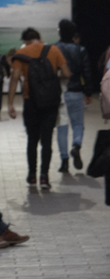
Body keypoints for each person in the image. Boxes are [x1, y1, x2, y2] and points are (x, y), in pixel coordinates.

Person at [8, 27, 71, 190]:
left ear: (26, 40)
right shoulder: (54, 50)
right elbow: (66, 73)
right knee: (47, 140)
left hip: (31, 101)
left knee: (32, 140)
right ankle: (44, 177)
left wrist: (10, 104)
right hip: (50, 101)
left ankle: (31, 176)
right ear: (39, 38)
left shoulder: (21, 55)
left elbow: (14, 78)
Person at [55, 19, 92, 175]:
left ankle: (64, 162)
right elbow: (87, 72)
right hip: (76, 91)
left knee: (61, 126)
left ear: (59, 31)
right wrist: (88, 92)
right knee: (78, 123)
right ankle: (76, 145)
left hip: (59, 93)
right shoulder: (80, 50)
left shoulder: (53, 49)